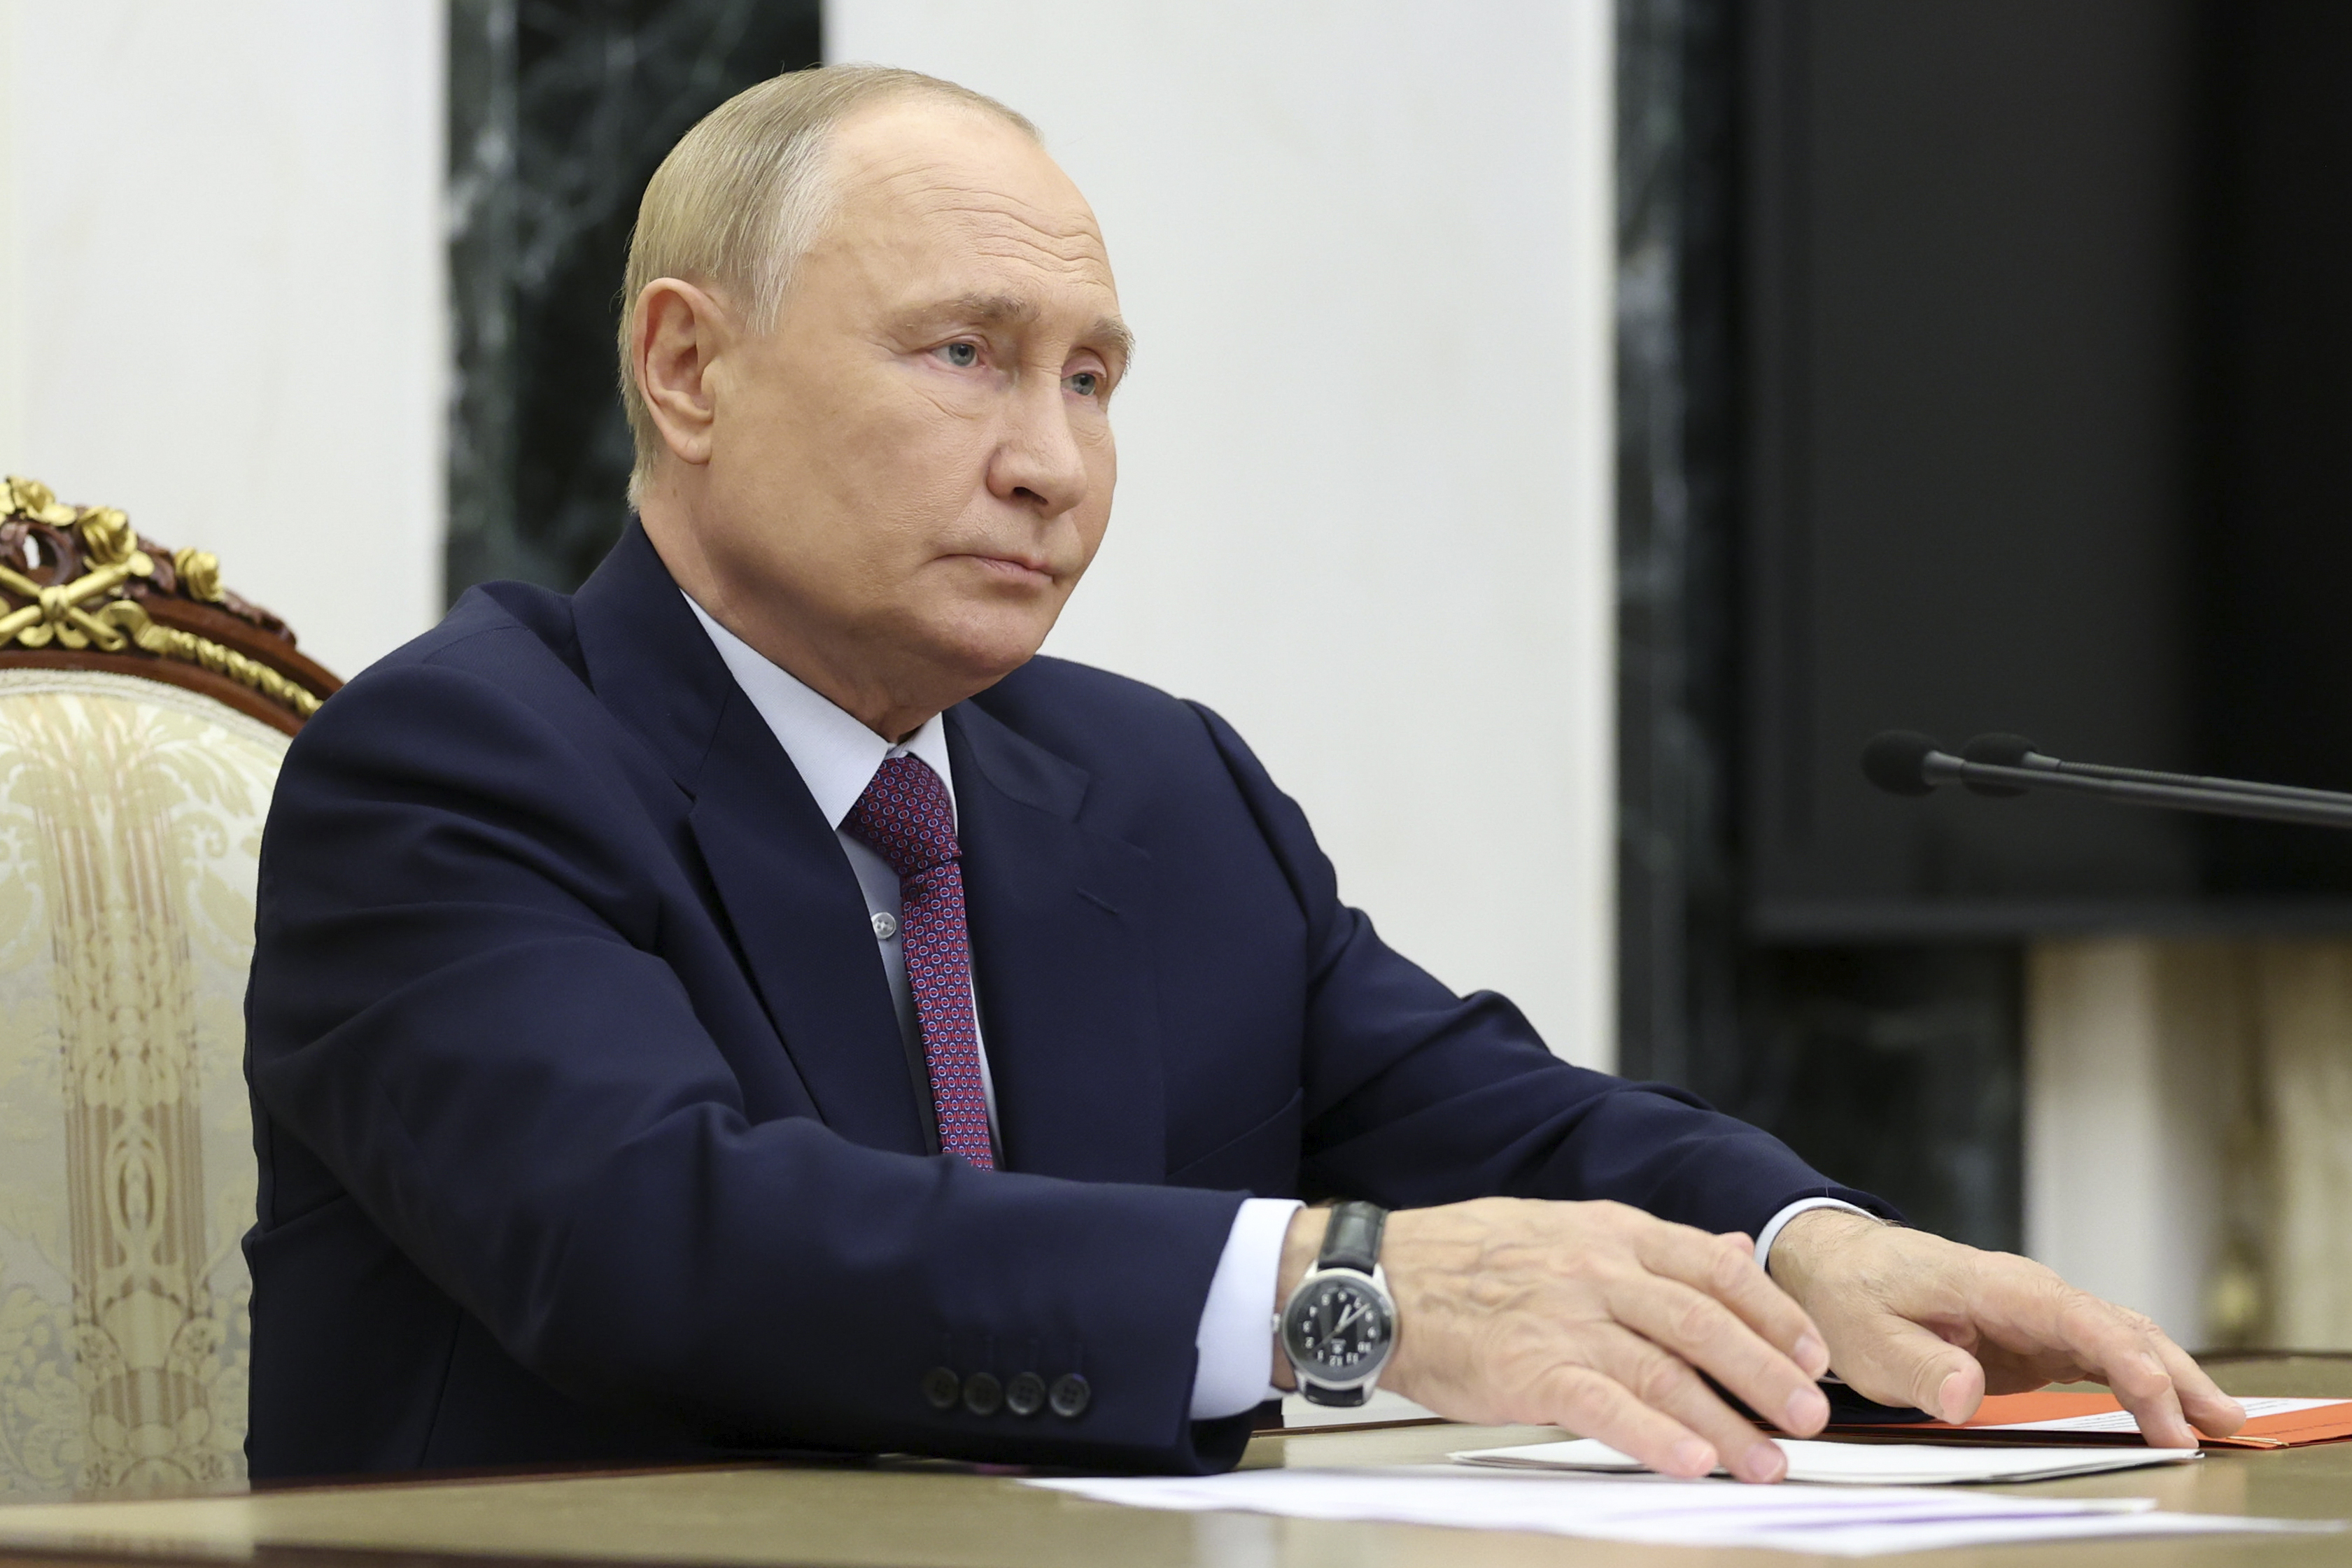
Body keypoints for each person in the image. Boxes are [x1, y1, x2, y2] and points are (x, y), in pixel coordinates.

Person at [242, 64, 2243, 1482]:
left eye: (1091, 377)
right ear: (687, 368)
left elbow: (1477, 1114)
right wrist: (1336, 1286)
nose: (1050, 457)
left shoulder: (1145, 783)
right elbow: (666, 1241)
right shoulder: (459, 762)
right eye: (963, 354)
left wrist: (1809, 1247)